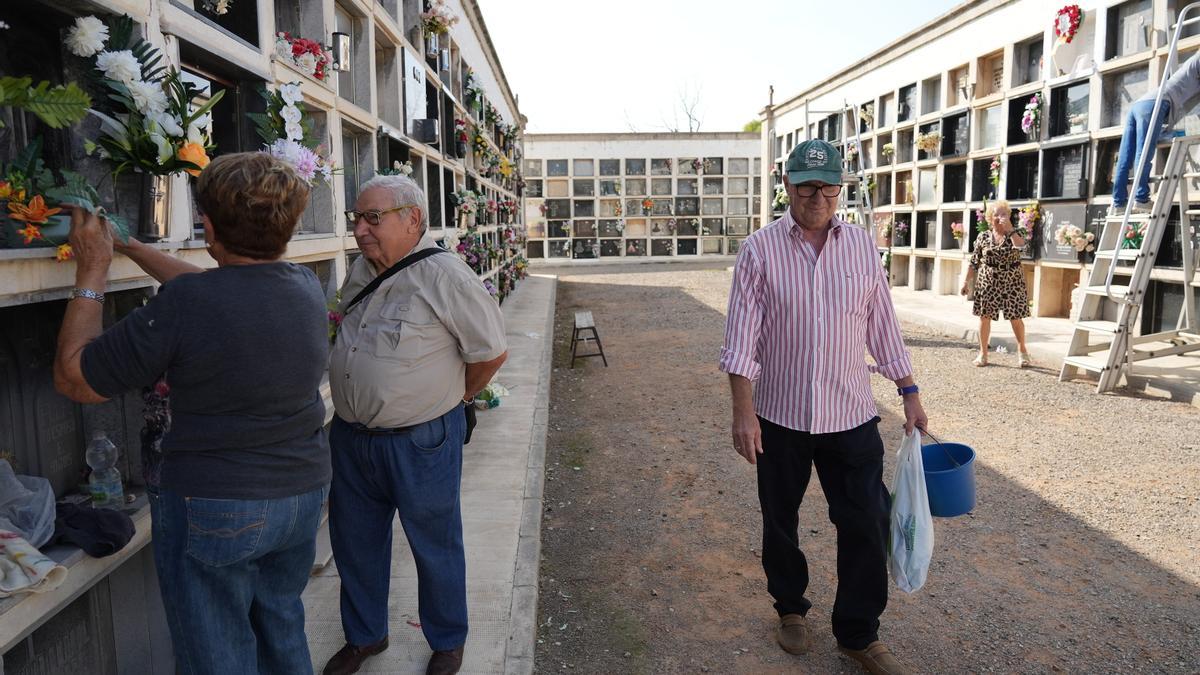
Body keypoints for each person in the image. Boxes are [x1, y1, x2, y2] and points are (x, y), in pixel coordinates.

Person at [54, 152, 332, 674]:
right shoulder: (302, 286)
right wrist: (134, 247)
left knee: (217, 657)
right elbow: (212, 288)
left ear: (207, 223)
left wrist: (92, 266)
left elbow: (76, 379)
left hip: (218, 505)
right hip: (300, 496)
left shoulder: (190, 306)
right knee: (281, 637)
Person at [719, 139, 928, 675]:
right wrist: (743, 413)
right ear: (787, 187)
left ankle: (859, 634)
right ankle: (789, 606)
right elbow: (742, 338)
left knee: (865, 520)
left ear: (841, 188)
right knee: (780, 519)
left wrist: (909, 391)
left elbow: (881, 322)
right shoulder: (760, 251)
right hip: (780, 416)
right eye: (808, 185)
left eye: (829, 186)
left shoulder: (860, 246)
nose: (819, 196)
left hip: (851, 415)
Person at [323, 175, 508, 675]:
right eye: (355, 218)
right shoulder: (362, 272)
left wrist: (457, 396)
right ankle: (365, 636)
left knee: (434, 543)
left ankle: (447, 639)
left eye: (372, 218)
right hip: (352, 438)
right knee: (355, 543)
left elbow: (490, 351)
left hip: (420, 440)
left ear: (412, 219)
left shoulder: (446, 275)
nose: (360, 229)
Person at [1111, 50, 1200, 215]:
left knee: (1126, 155)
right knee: (1143, 152)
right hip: (1156, 103)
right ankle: (1141, 199)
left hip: (1141, 104)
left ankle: (1119, 203)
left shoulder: (1192, 64)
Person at [960, 199, 1032, 367]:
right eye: (997, 214)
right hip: (988, 281)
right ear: (990, 218)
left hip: (1012, 281)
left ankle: (1022, 351)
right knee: (984, 318)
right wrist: (966, 282)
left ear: (1009, 216)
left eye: (1004, 214)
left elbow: (1021, 247)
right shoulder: (983, 237)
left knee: (1016, 317)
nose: (1000, 217)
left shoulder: (1016, 233)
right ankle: (983, 354)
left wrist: (1010, 230)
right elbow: (974, 261)